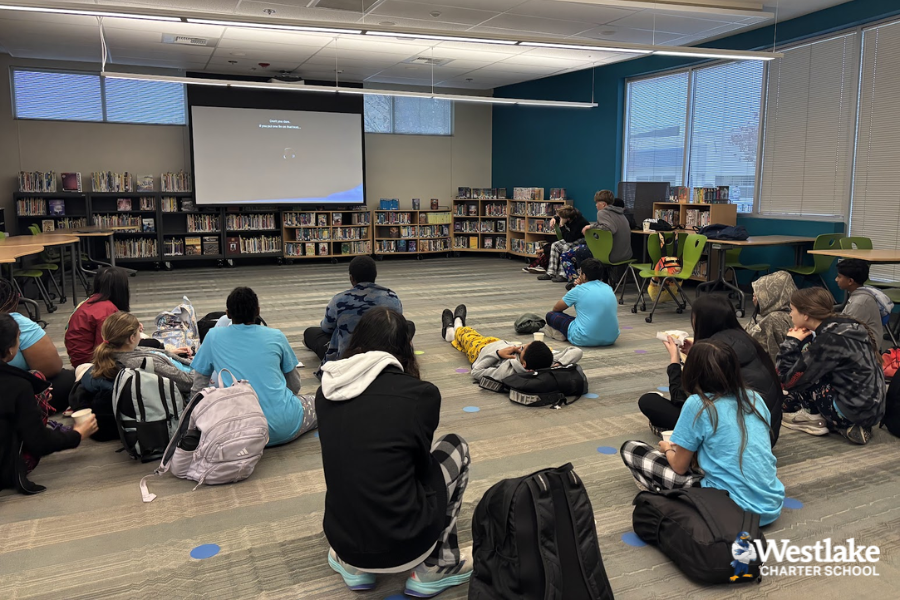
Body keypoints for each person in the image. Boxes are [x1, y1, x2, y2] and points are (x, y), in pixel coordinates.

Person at [317, 307, 473, 597]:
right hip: (406, 541)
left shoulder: (326, 389)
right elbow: (418, 465)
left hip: (344, 541)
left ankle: (353, 568)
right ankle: (438, 565)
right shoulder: (421, 394)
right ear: (407, 347)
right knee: (455, 446)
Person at [620, 339, 784, 526]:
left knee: (632, 449)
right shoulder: (754, 398)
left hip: (730, 508)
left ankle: (668, 494)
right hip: (771, 505)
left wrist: (667, 449)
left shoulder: (698, 404)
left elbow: (680, 466)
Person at [638, 295, 783, 445]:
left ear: (702, 321)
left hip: (735, 441)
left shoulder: (714, 355)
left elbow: (682, 399)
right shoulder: (744, 339)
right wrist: (698, 350)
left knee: (649, 401)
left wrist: (674, 361)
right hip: (766, 434)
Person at [192, 287, 316, 446]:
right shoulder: (276, 336)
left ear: (228, 314)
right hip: (285, 425)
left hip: (238, 432)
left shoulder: (213, 336)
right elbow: (295, 385)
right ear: (258, 311)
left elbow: (199, 386)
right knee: (317, 401)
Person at [0, 314, 98, 494]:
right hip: (5, 469)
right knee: (60, 378)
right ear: (10, 351)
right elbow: (39, 442)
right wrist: (77, 434)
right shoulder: (18, 386)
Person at [778, 287, 885, 445]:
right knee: (788, 398)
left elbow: (787, 379)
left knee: (798, 382)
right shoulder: (847, 326)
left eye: (792, 309)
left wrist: (791, 342)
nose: (790, 314)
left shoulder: (829, 340)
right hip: (872, 410)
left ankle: (812, 417)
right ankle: (851, 425)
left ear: (806, 314)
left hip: (853, 411)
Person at [303, 256, 411, 368]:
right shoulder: (392, 297)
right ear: (375, 275)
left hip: (349, 356)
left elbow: (327, 328)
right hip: (384, 354)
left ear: (351, 278)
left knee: (312, 333)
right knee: (409, 325)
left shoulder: (339, 300)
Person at [440, 304, 578, 381]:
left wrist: (498, 354)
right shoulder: (546, 361)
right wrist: (558, 365)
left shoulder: (507, 372)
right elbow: (576, 351)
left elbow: (476, 372)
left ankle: (455, 328)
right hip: (497, 342)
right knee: (475, 336)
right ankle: (456, 329)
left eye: (523, 348)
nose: (521, 346)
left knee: (468, 336)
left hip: (481, 351)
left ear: (523, 364)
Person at [0, 280, 75, 413]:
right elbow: (52, 367)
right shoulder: (13, 323)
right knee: (69, 380)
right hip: (13, 395)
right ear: (10, 351)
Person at [64, 266, 130, 367]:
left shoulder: (92, 300)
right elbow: (105, 346)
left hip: (80, 358)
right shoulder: (107, 310)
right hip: (92, 363)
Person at [544, 258, 619, 346]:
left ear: (584, 275)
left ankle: (564, 333)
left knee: (551, 315)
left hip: (583, 338)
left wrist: (576, 288)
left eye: (580, 272)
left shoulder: (578, 290)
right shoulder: (608, 288)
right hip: (611, 338)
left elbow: (556, 308)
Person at [836, 258, 892, 350]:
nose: (836, 279)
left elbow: (845, 330)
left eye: (839, 276)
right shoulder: (860, 293)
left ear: (850, 281)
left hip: (866, 350)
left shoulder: (860, 302)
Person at [746, 271, 797, 361]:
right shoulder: (789, 314)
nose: (753, 298)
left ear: (772, 296)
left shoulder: (774, 319)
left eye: (758, 295)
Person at [537, 205, 590, 283]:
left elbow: (569, 239)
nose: (560, 218)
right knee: (555, 245)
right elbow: (559, 216)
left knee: (566, 247)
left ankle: (563, 274)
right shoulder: (569, 215)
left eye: (562, 218)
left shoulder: (579, 223)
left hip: (583, 240)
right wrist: (554, 218)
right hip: (572, 238)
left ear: (568, 219)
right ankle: (551, 272)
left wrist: (561, 226)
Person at [582, 190, 633, 263]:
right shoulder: (620, 213)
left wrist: (590, 227)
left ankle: (583, 274)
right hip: (626, 255)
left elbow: (609, 228)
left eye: (597, 203)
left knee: (577, 253)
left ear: (604, 204)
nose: (596, 205)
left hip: (612, 256)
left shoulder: (602, 212)